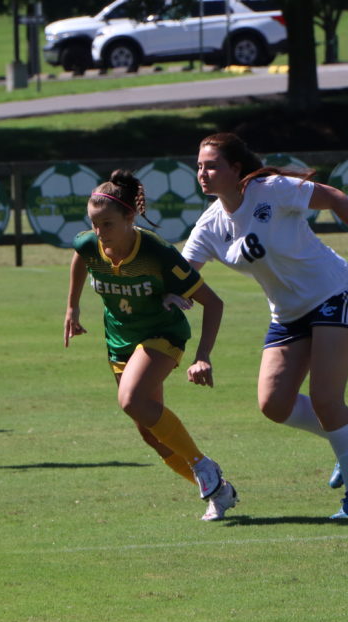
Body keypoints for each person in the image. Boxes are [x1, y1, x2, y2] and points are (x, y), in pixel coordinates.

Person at [182, 132, 348, 519]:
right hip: (287, 314)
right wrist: (163, 297)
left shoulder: (271, 190)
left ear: (235, 168)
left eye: (212, 165)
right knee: (273, 404)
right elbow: (183, 280)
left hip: (335, 293)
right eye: (199, 166)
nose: (202, 173)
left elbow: (335, 198)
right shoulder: (209, 226)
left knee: (326, 400)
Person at [64, 169, 237, 521]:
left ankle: (203, 464)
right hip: (119, 342)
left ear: (130, 217)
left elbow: (213, 303)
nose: (99, 232)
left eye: (107, 224)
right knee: (152, 436)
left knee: (131, 400)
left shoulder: (157, 252)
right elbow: (81, 255)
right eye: (94, 224)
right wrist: (72, 307)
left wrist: (203, 356)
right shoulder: (90, 243)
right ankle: (218, 491)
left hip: (162, 334)